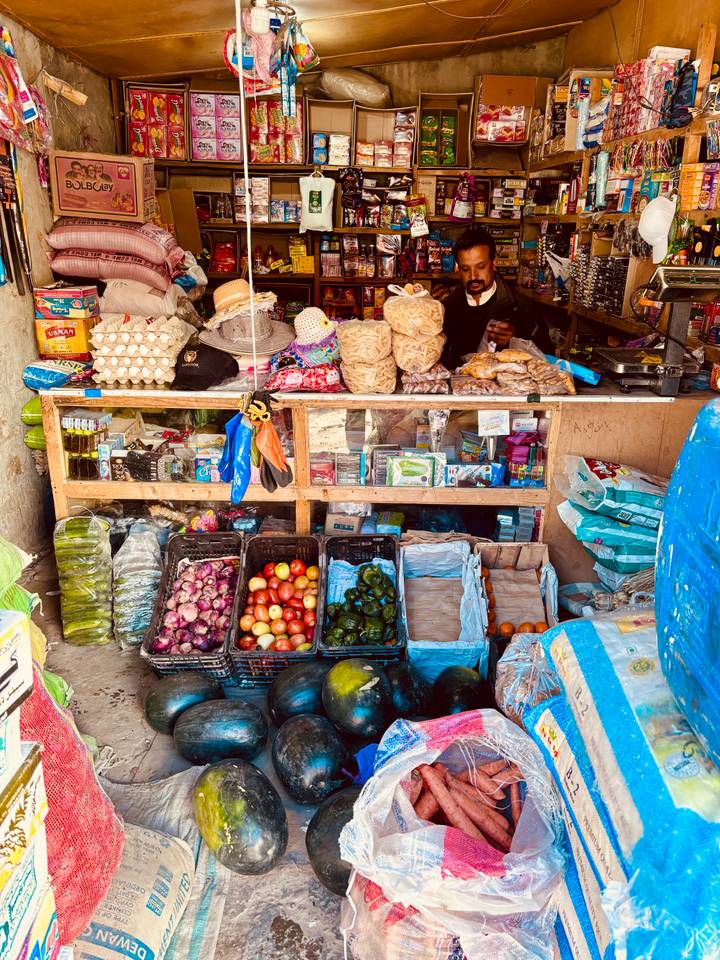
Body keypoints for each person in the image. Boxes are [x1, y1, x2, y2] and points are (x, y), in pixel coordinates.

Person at [440, 226, 538, 371]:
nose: (473, 276)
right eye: (465, 269)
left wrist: (514, 340)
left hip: (504, 391)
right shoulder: (446, 308)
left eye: (480, 266)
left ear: (493, 264)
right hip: (458, 389)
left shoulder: (521, 307)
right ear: (458, 269)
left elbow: (544, 358)